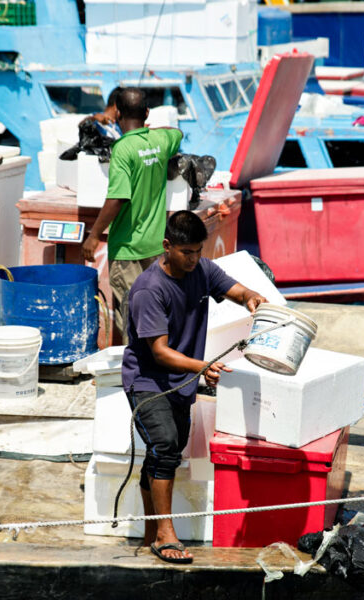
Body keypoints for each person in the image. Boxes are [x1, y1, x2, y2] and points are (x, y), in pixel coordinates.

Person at [123, 211, 266, 564]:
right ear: (167, 246)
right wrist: (203, 368)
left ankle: (149, 531)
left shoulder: (201, 270)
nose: (194, 259)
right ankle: (165, 534)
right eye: (187, 252)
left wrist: (251, 297)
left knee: (166, 451)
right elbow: (159, 352)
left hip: (182, 381)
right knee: (165, 445)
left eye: (199, 251)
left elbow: (236, 290)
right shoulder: (148, 290)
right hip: (148, 380)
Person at [81, 87, 183, 342]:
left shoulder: (122, 150)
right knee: (156, 315)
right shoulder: (160, 142)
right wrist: (151, 131)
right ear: (147, 113)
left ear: (117, 113)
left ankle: (135, 379)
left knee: (132, 320)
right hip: (156, 247)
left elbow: (118, 198)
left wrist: (94, 236)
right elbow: (177, 133)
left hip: (127, 250)